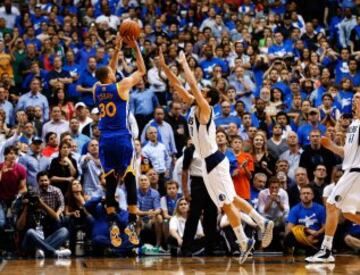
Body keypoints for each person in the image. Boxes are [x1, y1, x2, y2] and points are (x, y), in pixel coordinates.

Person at [159, 50, 273, 263]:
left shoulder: (205, 109)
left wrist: (184, 63)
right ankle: (258, 224)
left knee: (226, 203)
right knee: (229, 200)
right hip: (208, 164)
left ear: (208, 98)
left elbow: (192, 85)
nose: (197, 91)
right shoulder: (193, 107)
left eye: (202, 91)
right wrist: (165, 68)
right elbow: (178, 87)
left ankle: (250, 233)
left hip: (213, 160)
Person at [93, 34, 145, 247]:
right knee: (130, 178)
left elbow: (107, 71)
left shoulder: (97, 89)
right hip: (122, 139)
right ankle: (131, 224)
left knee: (111, 184)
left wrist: (115, 50)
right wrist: (135, 48)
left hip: (105, 140)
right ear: (111, 76)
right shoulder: (121, 86)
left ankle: (113, 222)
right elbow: (141, 71)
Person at [306, 92, 360, 263]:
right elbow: (346, 152)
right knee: (347, 212)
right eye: (354, 98)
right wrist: (331, 146)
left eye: (358, 98)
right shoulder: (354, 124)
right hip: (350, 169)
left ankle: (326, 250)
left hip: (356, 171)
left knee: (331, 204)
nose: (354, 100)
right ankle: (326, 251)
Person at [16, 171, 71, 258]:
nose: (35, 201)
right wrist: (26, 207)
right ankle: (54, 252)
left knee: (64, 231)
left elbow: (56, 217)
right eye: (41, 181)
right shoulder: (27, 207)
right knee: (31, 232)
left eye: (46, 180)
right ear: (38, 182)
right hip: (29, 244)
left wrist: (42, 204)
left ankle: (42, 250)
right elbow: (19, 227)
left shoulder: (44, 212)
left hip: (44, 241)